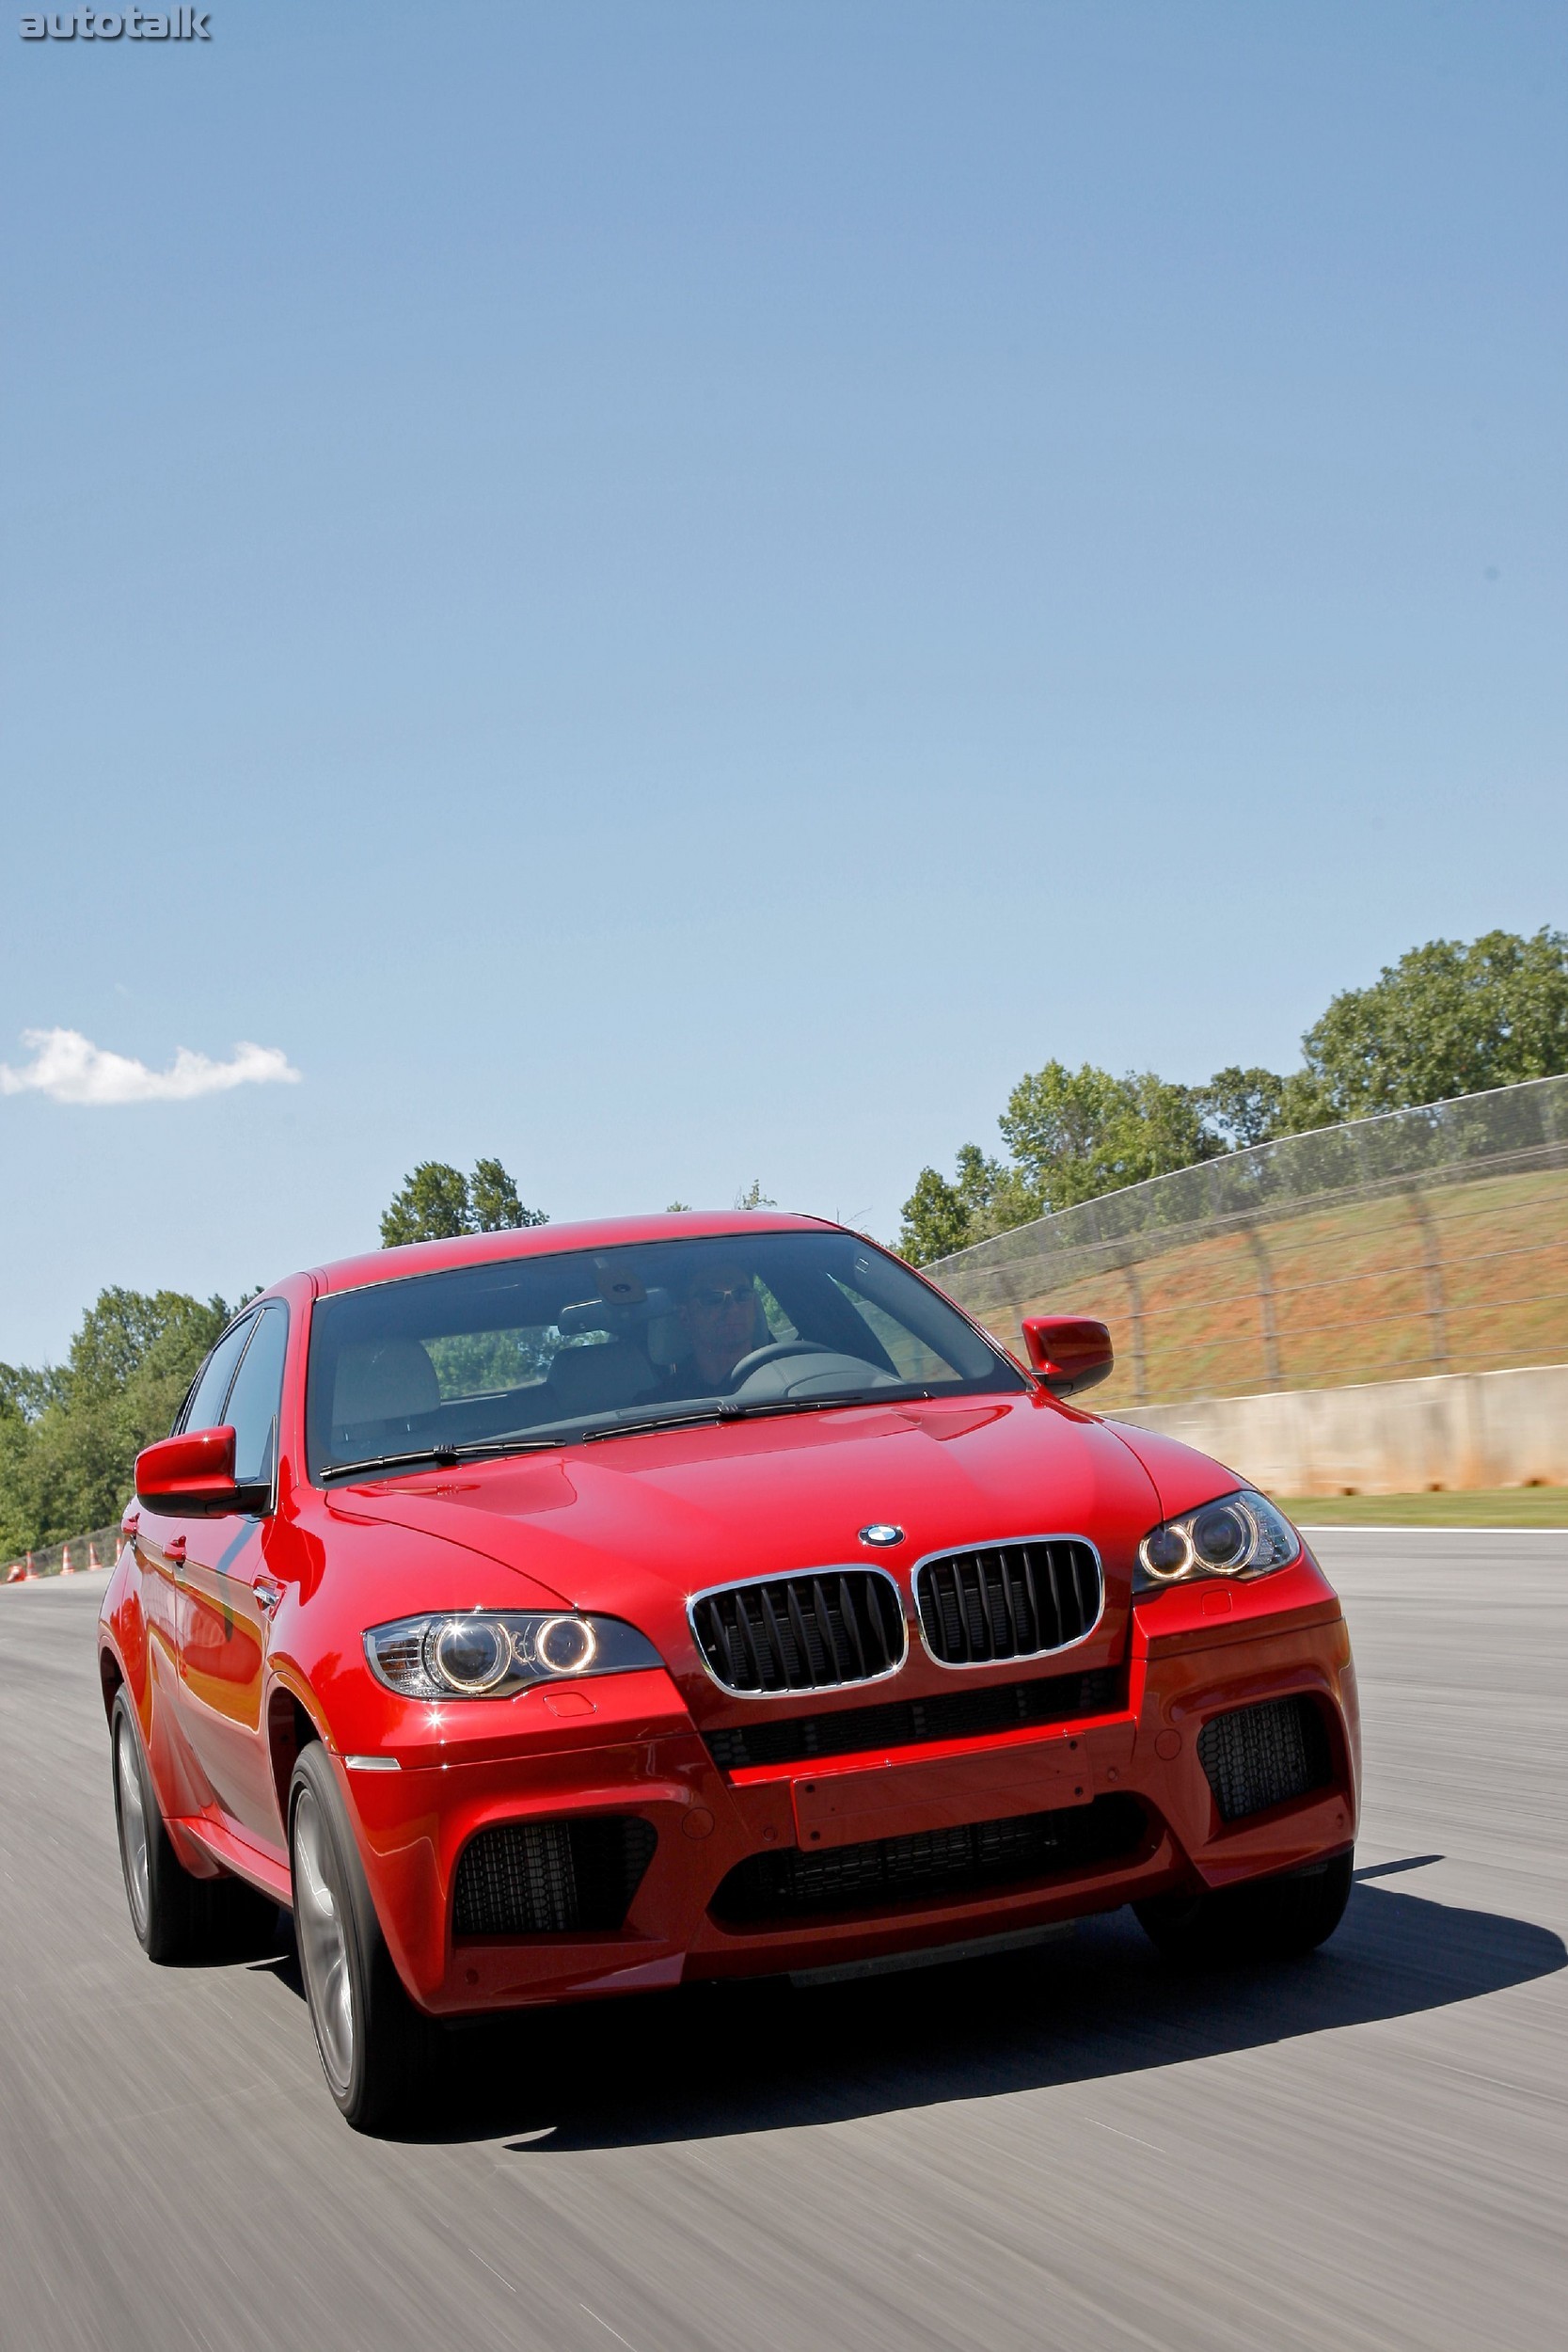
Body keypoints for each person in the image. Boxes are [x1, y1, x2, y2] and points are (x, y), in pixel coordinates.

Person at [672, 1260, 768, 1394]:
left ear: (755, 1305)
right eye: (712, 1298)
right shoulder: (658, 1406)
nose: (732, 1308)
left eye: (742, 1294)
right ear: (685, 1317)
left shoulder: (791, 1379)